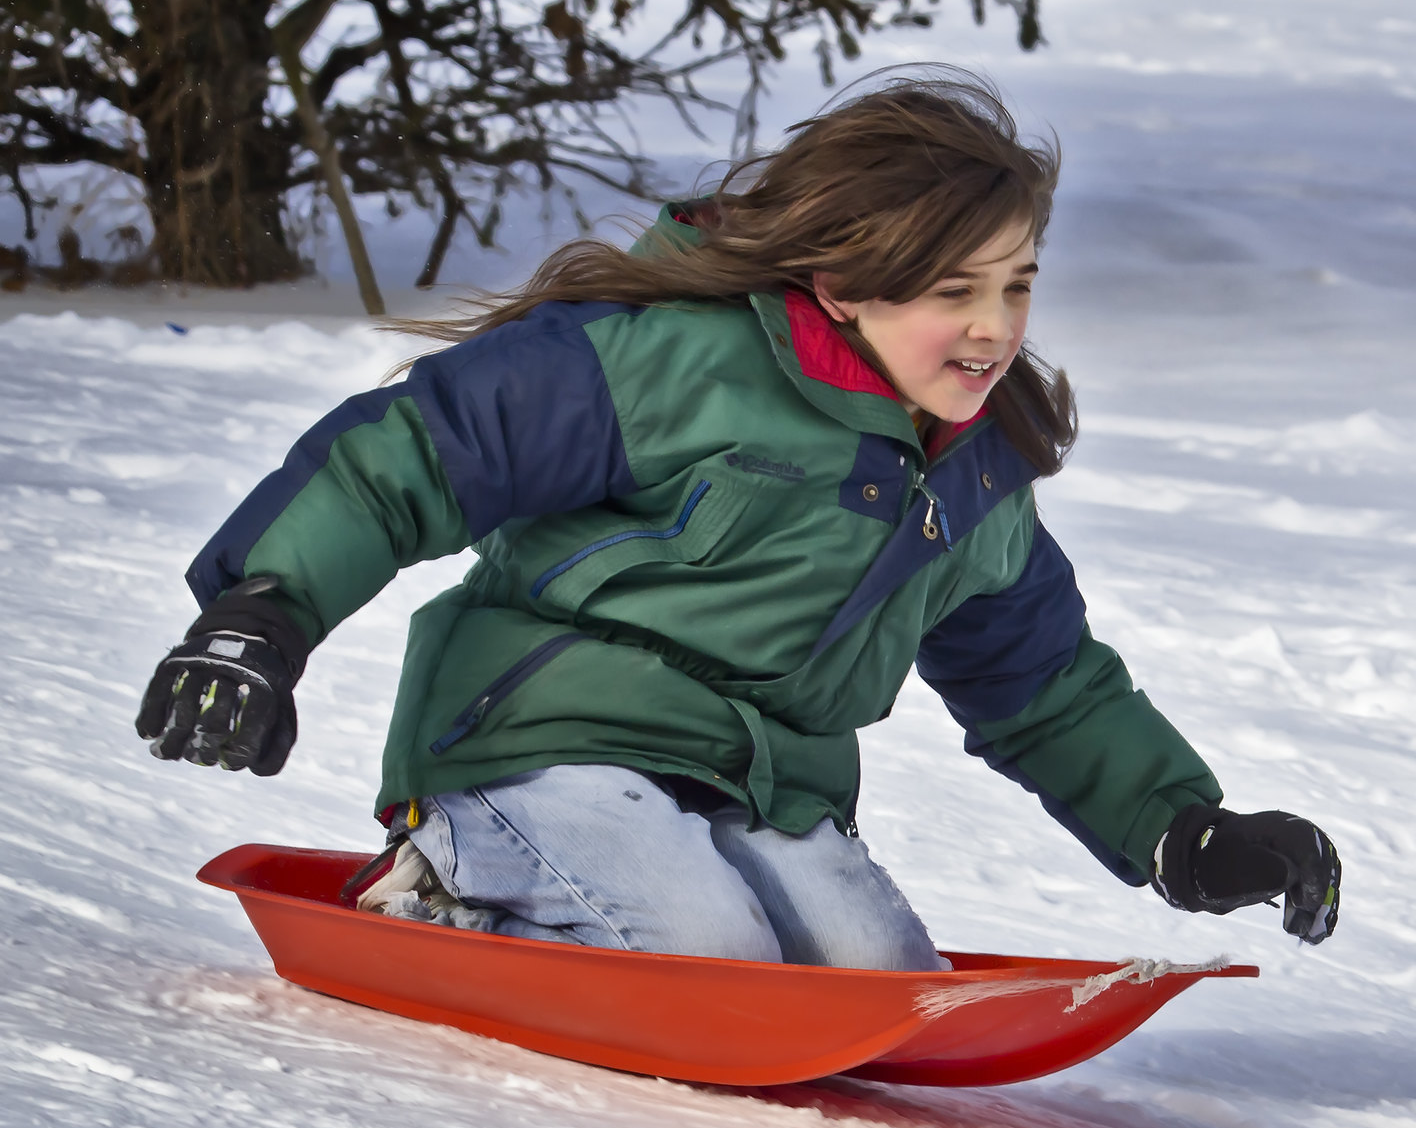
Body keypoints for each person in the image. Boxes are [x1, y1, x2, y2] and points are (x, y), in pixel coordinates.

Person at [136, 71, 1341, 969]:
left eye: (1015, 284)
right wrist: (261, 614)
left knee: (871, 980)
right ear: (843, 284)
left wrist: (1180, 829)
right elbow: (408, 457)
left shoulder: (976, 475)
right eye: (952, 291)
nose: (993, 328)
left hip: (766, 785)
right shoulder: (678, 368)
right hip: (541, 741)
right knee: (705, 946)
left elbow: (1043, 682)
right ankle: (442, 879)